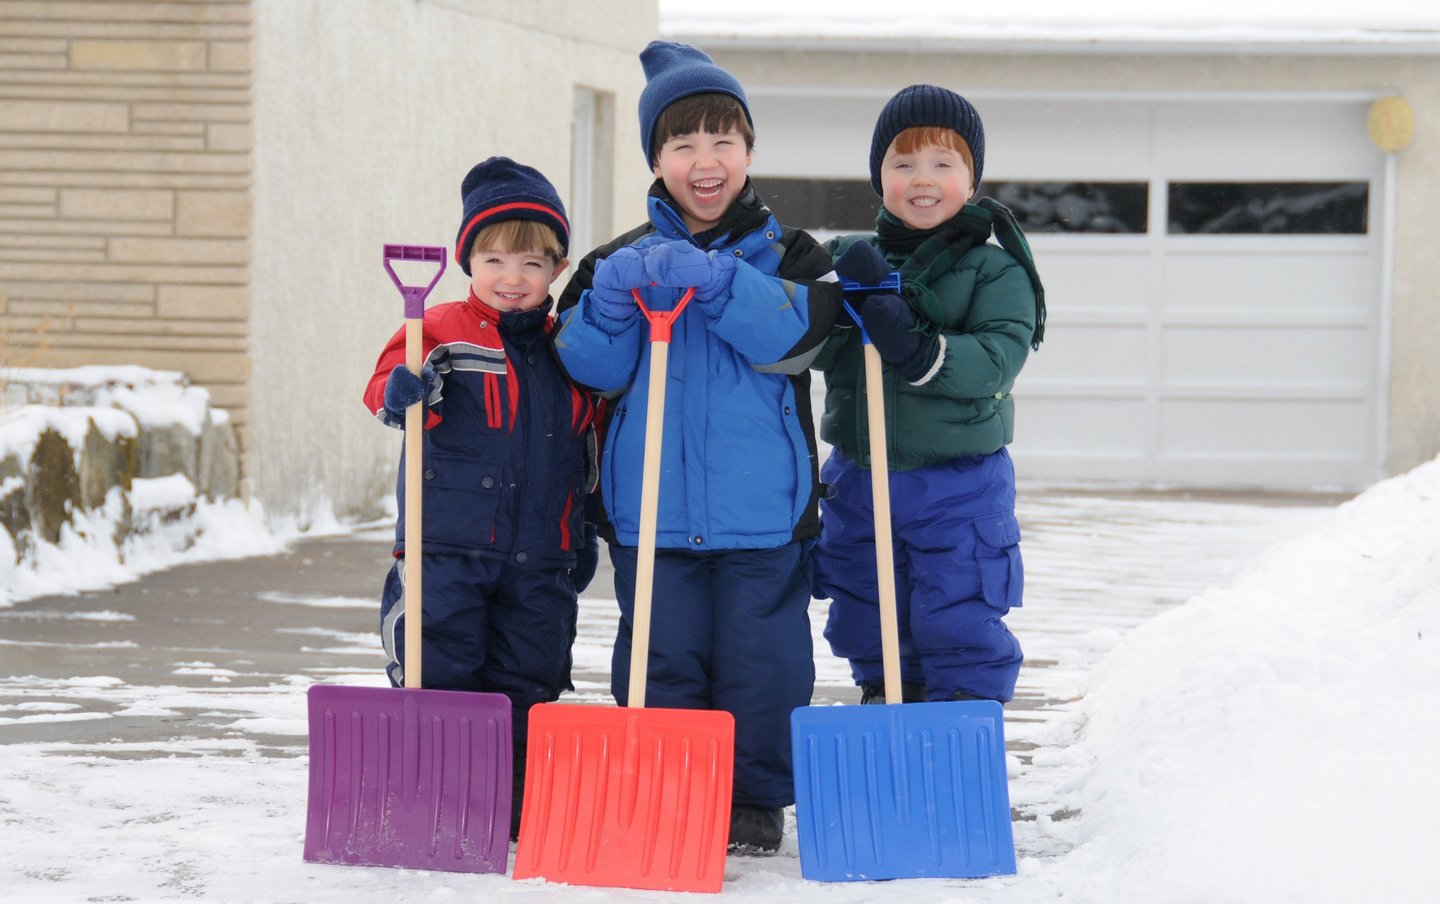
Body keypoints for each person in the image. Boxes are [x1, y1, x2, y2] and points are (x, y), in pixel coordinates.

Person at [551, 41, 843, 853]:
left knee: (764, 664)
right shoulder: (615, 263)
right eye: (683, 143)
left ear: (749, 152)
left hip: (761, 517)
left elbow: (796, 343)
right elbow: (589, 370)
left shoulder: (795, 259)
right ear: (656, 158)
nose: (705, 161)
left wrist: (720, 285)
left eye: (723, 141)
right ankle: (669, 785)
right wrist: (610, 304)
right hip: (654, 513)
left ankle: (753, 798)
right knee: (660, 657)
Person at [361, 156, 600, 839]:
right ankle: (439, 798)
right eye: (494, 260)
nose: (512, 279)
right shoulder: (437, 328)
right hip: (447, 549)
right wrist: (402, 392)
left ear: (556, 269)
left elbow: (588, 444)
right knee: (439, 668)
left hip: (541, 556)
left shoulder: (570, 350)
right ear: (469, 262)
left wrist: (581, 532)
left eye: (531, 263)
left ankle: (519, 803)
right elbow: (385, 383)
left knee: (530, 677)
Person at [813, 85, 1046, 707]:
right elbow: (803, 347)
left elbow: (997, 358)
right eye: (903, 163)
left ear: (972, 181)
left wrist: (917, 347)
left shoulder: (996, 271)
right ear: (878, 177)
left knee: (958, 610)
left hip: (959, 483)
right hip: (860, 476)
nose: (923, 179)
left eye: (944, 164)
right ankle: (885, 703)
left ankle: (962, 729)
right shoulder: (847, 262)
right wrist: (826, 305)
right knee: (867, 604)